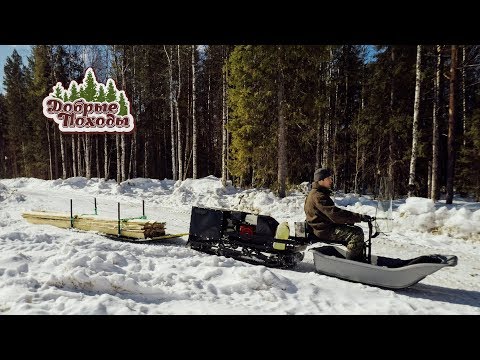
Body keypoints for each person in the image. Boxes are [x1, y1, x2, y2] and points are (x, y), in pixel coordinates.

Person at [304, 168, 373, 261]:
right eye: (328, 178)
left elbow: (331, 215)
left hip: (322, 227)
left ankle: (357, 258)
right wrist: (359, 217)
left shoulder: (316, 193)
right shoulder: (318, 196)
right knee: (356, 234)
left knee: (355, 229)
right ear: (321, 180)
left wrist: (350, 220)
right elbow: (335, 215)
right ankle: (353, 264)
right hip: (323, 230)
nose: (331, 181)